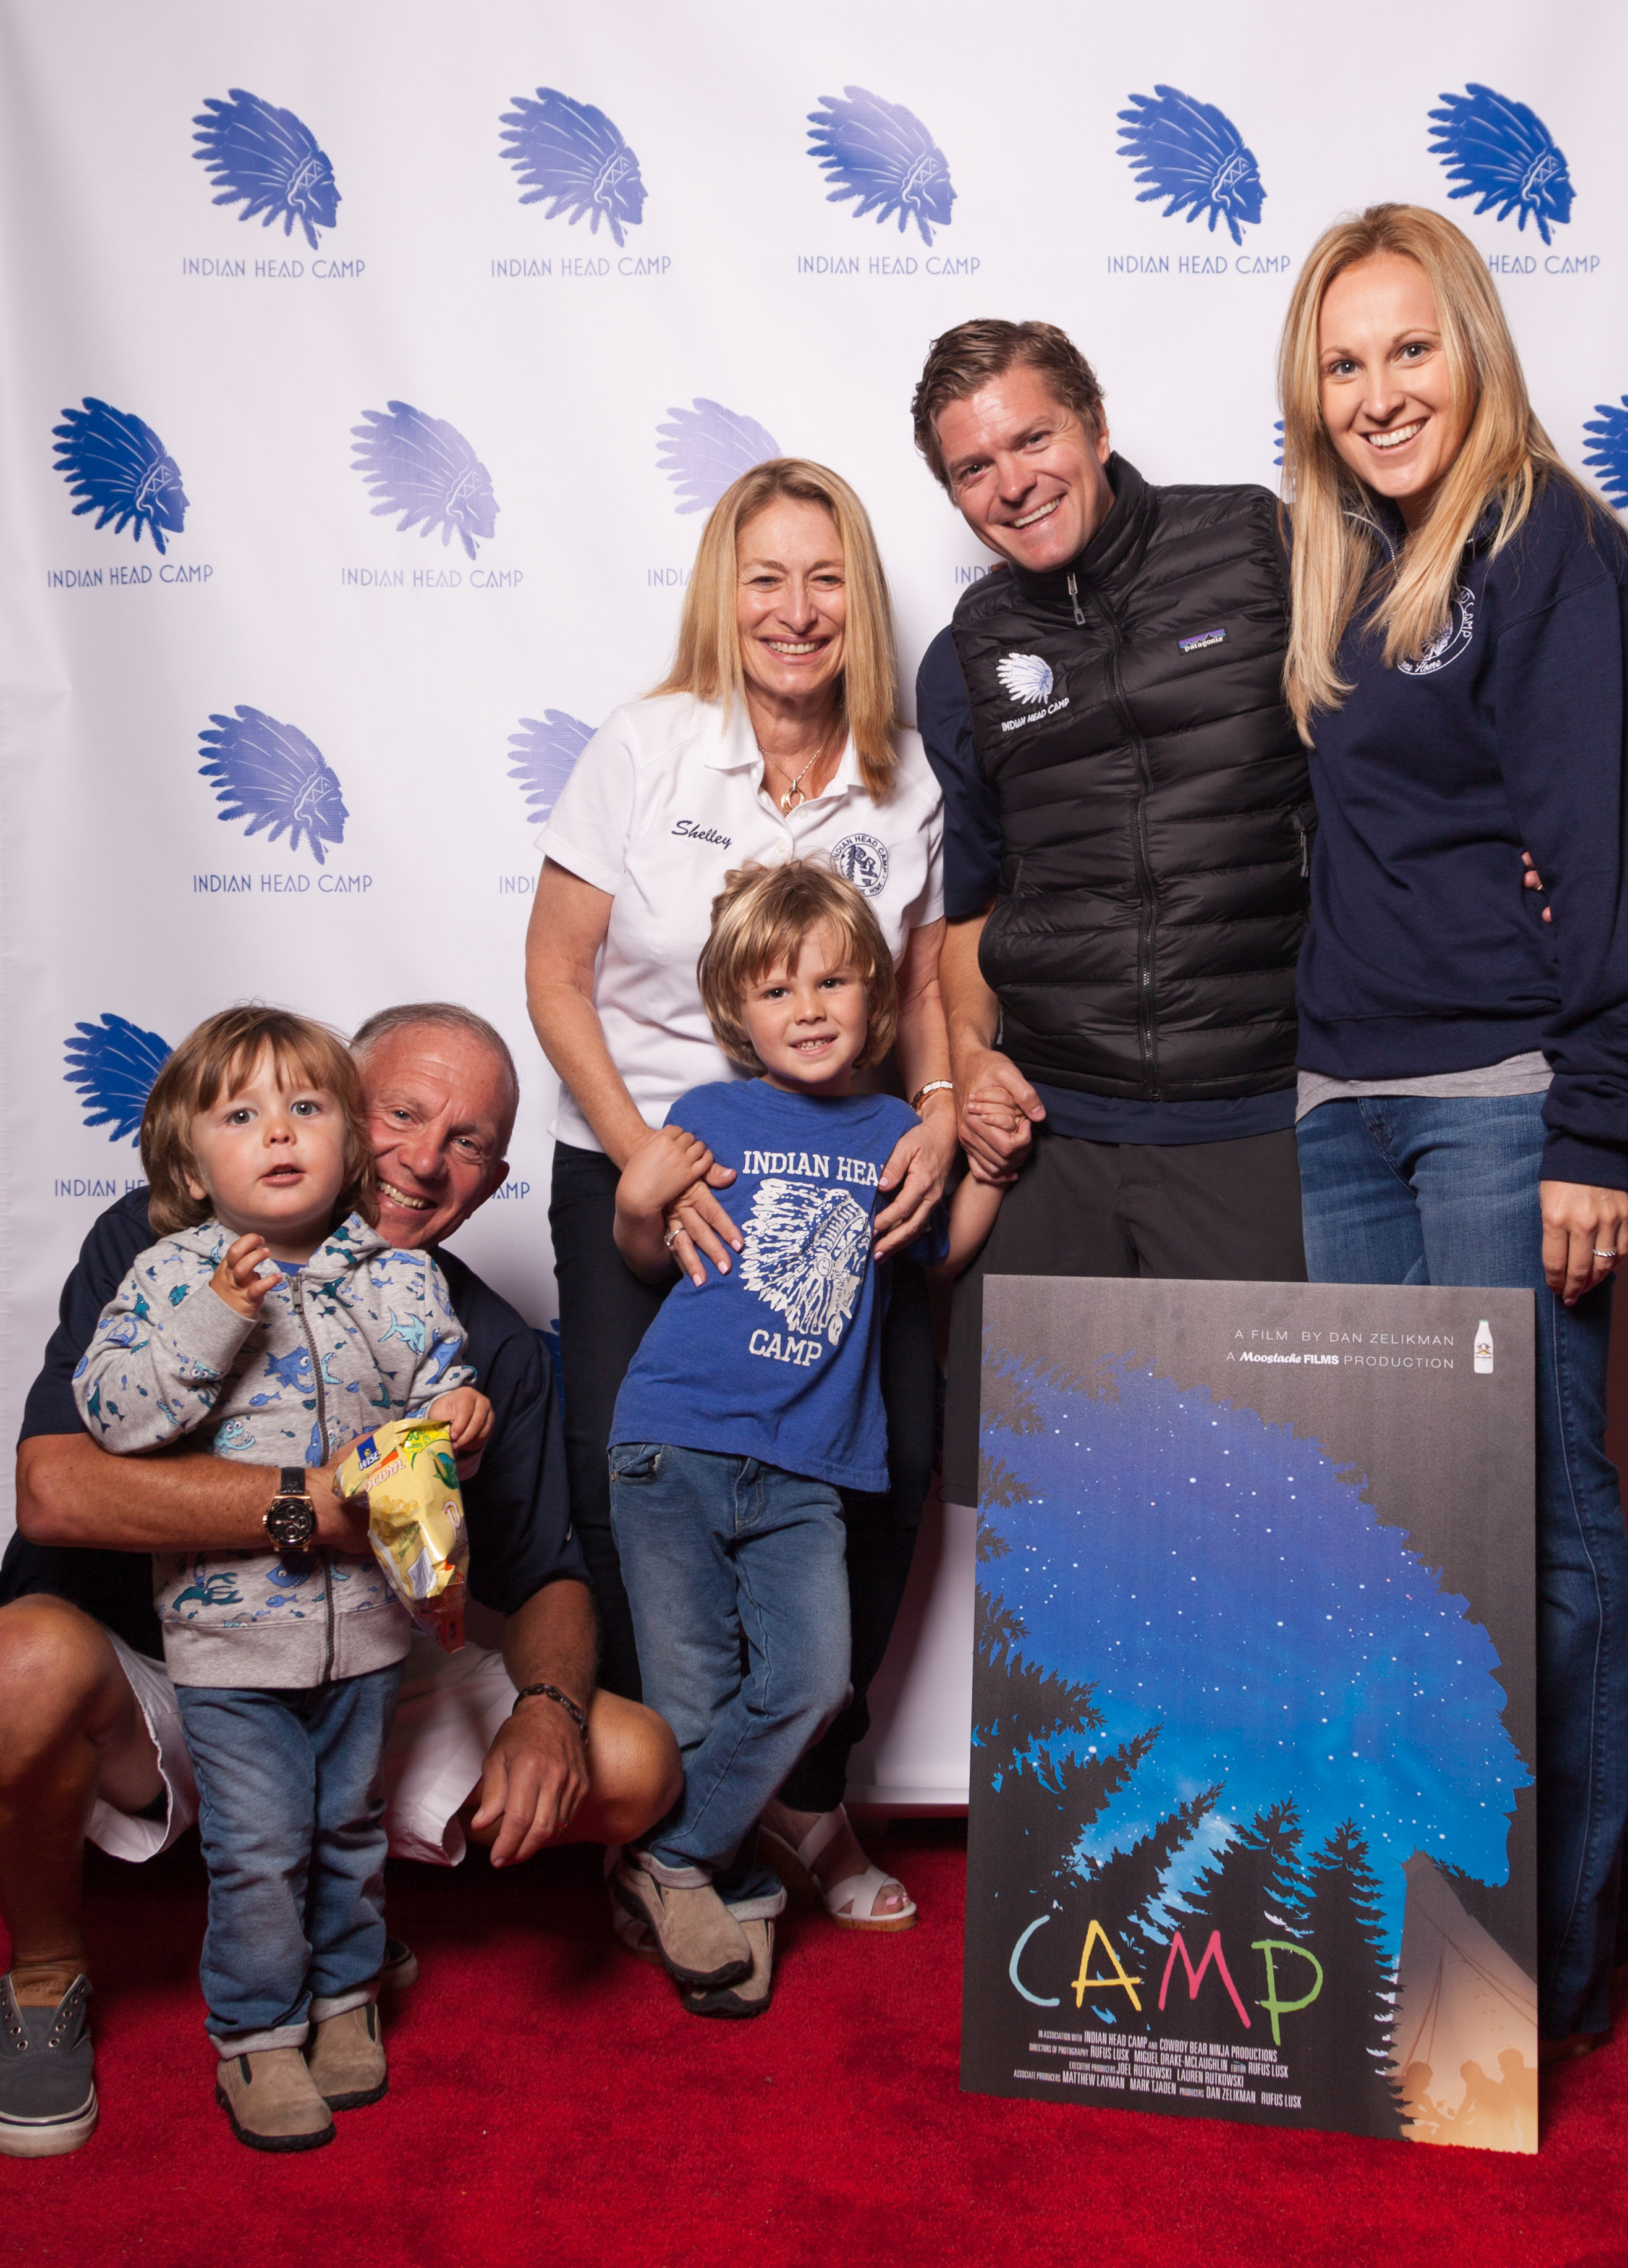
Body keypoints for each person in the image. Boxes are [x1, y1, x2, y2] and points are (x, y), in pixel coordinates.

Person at [1274, 205, 1628, 2048]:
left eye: (1407, 348)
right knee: (1404, 1534)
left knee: (1536, 1520)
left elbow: (1623, 856)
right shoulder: (1347, 563)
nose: (1378, 392)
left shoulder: (1551, 553)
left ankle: (1560, 1945)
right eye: (1343, 359)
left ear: (1473, 348)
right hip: (1340, 1102)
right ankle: (1452, 1908)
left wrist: (1600, 1125)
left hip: (1502, 1108)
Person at [0, 1003, 679, 2159]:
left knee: (633, 1759)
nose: (426, 1157)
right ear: (339, 1110)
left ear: (496, 1176)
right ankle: (48, 1974)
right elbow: (58, 1489)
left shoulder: (470, 1326)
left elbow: (548, 1570)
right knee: (19, 1664)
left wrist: (551, 1711)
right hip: (168, 1665)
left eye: (468, 1141)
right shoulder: (168, 1246)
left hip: (356, 1649)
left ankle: (334, 1953)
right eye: (401, 1113)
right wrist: (316, 1505)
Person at [527, 458, 951, 1930]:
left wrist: (947, 1117)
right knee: (625, 1477)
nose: (795, 607)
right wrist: (639, 1144)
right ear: (725, 592)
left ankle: (805, 1804)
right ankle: (667, 1826)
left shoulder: (904, 774)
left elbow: (941, 981)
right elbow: (555, 972)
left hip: (842, 1158)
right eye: (764, 576)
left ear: (860, 599)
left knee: (880, 1475)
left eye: (824, 575)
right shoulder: (644, 745)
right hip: (642, 1155)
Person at [72, 1006, 493, 2151]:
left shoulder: (394, 1271)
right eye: (243, 1113)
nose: (280, 1131)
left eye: (307, 1106)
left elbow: (433, 1397)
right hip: (228, 1638)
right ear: (188, 1158)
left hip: (368, 1627)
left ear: (345, 1140)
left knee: (349, 1826)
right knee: (260, 1846)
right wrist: (217, 1316)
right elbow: (113, 1417)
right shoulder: (168, 1275)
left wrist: (458, 1407)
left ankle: (346, 1998)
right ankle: (256, 2035)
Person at [910, 320, 1315, 1504]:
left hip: (1259, 1120)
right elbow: (972, 910)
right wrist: (971, 1063)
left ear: (1092, 423)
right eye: (972, 468)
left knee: (1274, 1510)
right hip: (1057, 1140)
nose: (1012, 483)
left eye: (1031, 438)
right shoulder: (966, 657)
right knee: (1047, 1528)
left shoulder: (1260, 544)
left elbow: (1396, 754)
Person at [604, 861, 991, 2016]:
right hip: (674, 1442)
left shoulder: (894, 1132)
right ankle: (722, 1898)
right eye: (778, 990)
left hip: (812, 1467)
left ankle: (669, 1864)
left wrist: (992, 1168)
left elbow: (939, 1256)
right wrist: (639, 1196)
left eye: (833, 981)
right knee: (692, 1702)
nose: (810, 1007)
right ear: (736, 1013)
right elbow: (646, 1259)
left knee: (813, 1678)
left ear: (876, 996)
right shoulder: (707, 1115)